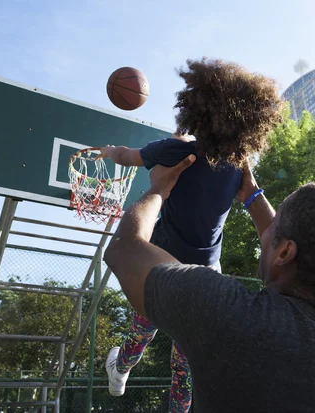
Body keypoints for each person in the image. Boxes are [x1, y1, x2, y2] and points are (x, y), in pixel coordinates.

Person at [104, 156, 315, 412]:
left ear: (286, 253)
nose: (268, 229)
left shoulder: (236, 319)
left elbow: (122, 248)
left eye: (275, 226)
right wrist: (252, 195)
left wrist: (158, 190)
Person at [99, 58, 282, 412]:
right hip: (205, 274)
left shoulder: (174, 150)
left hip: (163, 263)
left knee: (143, 330)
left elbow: (127, 156)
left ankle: (119, 367)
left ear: (196, 109)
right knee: (185, 366)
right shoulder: (237, 168)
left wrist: (109, 151)